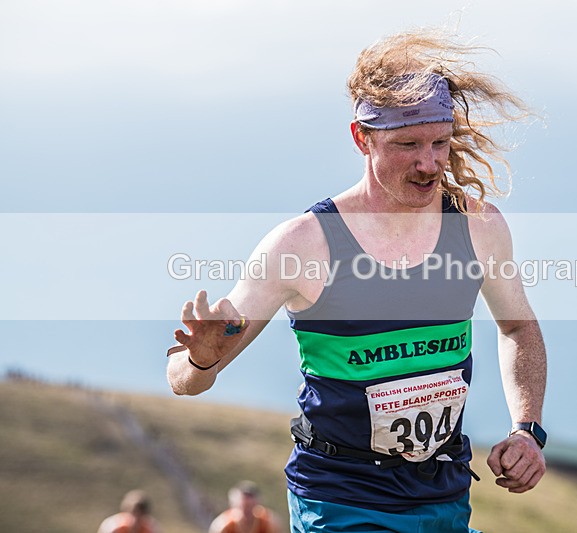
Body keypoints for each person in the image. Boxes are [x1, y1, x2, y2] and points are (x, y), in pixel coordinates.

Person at [167, 28, 547, 533]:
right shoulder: (302, 245)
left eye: (440, 142)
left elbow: (518, 328)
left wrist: (527, 430)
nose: (429, 163)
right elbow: (184, 381)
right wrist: (200, 358)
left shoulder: (478, 226)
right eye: (407, 144)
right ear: (361, 138)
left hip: (446, 494)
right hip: (341, 502)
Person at [209, 481, 281, 533]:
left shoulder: (268, 524)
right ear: (233, 506)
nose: (247, 512)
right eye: (243, 507)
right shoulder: (223, 526)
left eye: (250, 507)